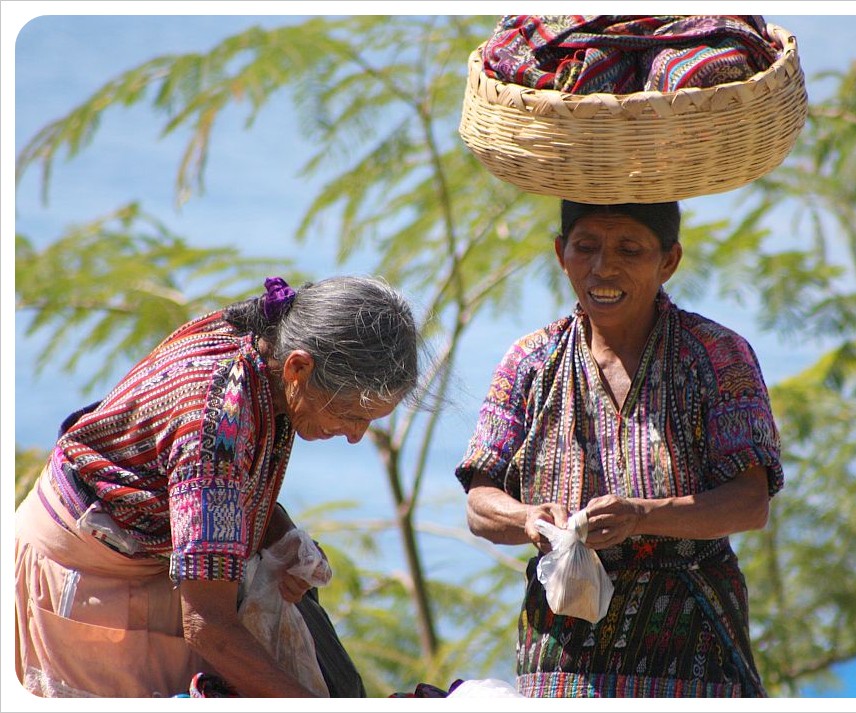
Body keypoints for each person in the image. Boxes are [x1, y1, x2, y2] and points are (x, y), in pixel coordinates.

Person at [14, 275, 420, 698]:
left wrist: (282, 537)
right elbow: (208, 625)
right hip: (88, 570)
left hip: (148, 562)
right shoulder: (216, 426)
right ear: (298, 368)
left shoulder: (265, 351)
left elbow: (218, 490)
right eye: (350, 413)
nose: (356, 435)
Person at [455, 200, 784, 698]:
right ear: (560, 253)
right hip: (561, 662)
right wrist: (527, 518)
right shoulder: (528, 362)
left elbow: (749, 502)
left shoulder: (717, 354)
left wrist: (641, 515)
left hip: (693, 653)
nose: (603, 267)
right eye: (585, 247)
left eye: (629, 249)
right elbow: (480, 503)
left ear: (668, 261)